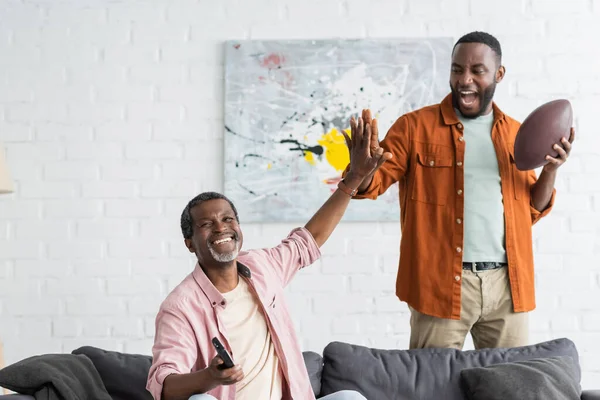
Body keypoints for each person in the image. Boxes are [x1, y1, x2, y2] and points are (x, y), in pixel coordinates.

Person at [342, 31, 574, 350]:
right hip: (438, 285)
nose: (464, 79)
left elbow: (531, 210)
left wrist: (550, 170)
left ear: (499, 74)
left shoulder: (514, 134)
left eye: (477, 70)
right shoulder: (414, 128)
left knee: (510, 386)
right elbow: (374, 183)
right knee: (433, 387)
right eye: (457, 69)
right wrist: (361, 172)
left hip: (508, 286)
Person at [146, 119, 389, 400]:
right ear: (190, 243)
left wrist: (355, 178)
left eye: (228, 219)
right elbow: (163, 386)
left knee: (350, 399)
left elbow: (309, 238)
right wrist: (209, 377)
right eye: (207, 224)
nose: (221, 227)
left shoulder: (262, 266)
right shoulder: (180, 306)